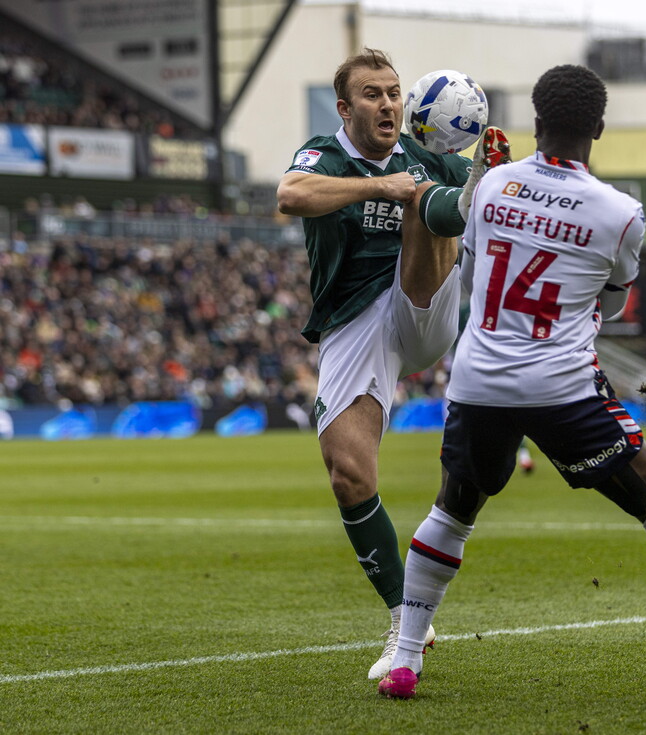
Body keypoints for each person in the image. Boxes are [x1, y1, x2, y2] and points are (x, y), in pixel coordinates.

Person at [377, 64, 646, 701]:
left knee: (453, 509)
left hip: (479, 381)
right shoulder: (622, 215)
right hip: (562, 386)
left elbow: (449, 222)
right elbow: (615, 301)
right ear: (599, 128)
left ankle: (406, 659)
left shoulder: (491, 186)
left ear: (537, 122)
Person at [275, 48, 511, 680]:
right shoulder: (322, 156)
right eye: (373, 95)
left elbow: (437, 209)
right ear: (345, 108)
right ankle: (408, 621)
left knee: (425, 200)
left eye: (395, 93)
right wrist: (382, 183)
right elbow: (291, 195)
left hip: (423, 304)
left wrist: (476, 183)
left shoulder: (423, 159)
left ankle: (464, 195)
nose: (388, 104)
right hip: (356, 321)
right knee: (348, 474)